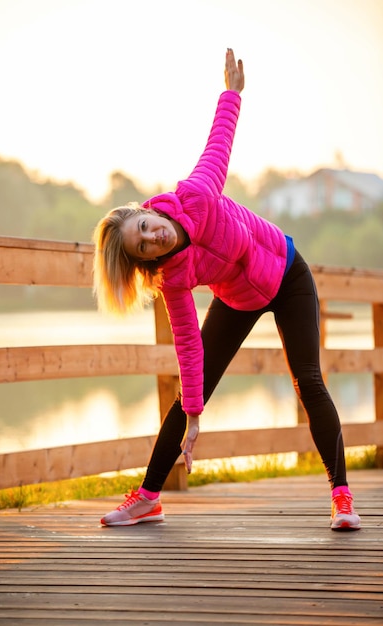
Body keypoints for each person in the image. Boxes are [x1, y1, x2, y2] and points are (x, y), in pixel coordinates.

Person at [93, 48, 361, 531]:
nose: (155, 238)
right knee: (186, 395)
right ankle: (148, 497)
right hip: (238, 297)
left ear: (149, 211)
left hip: (287, 274)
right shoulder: (172, 278)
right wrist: (194, 416)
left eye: (147, 227)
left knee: (309, 381)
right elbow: (188, 347)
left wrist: (231, 93)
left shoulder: (196, 194)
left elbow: (218, 144)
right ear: (147, 262)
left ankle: (342, 497)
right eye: (144, 247)